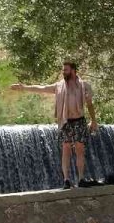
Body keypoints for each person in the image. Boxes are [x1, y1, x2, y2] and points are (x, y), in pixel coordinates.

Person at [10, 61, 100, 189]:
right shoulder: (59, 86)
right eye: (63, 70)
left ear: (73, 70)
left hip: (79, 120)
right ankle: (66, 180)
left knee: (80, 150)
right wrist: (23, 87)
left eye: (66, 70)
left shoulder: (84, 85)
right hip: (65, 122)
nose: (63, 72)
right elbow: (41, 88)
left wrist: (93, 120)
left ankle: (81, 179)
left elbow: (90, 104)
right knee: (66, 150)